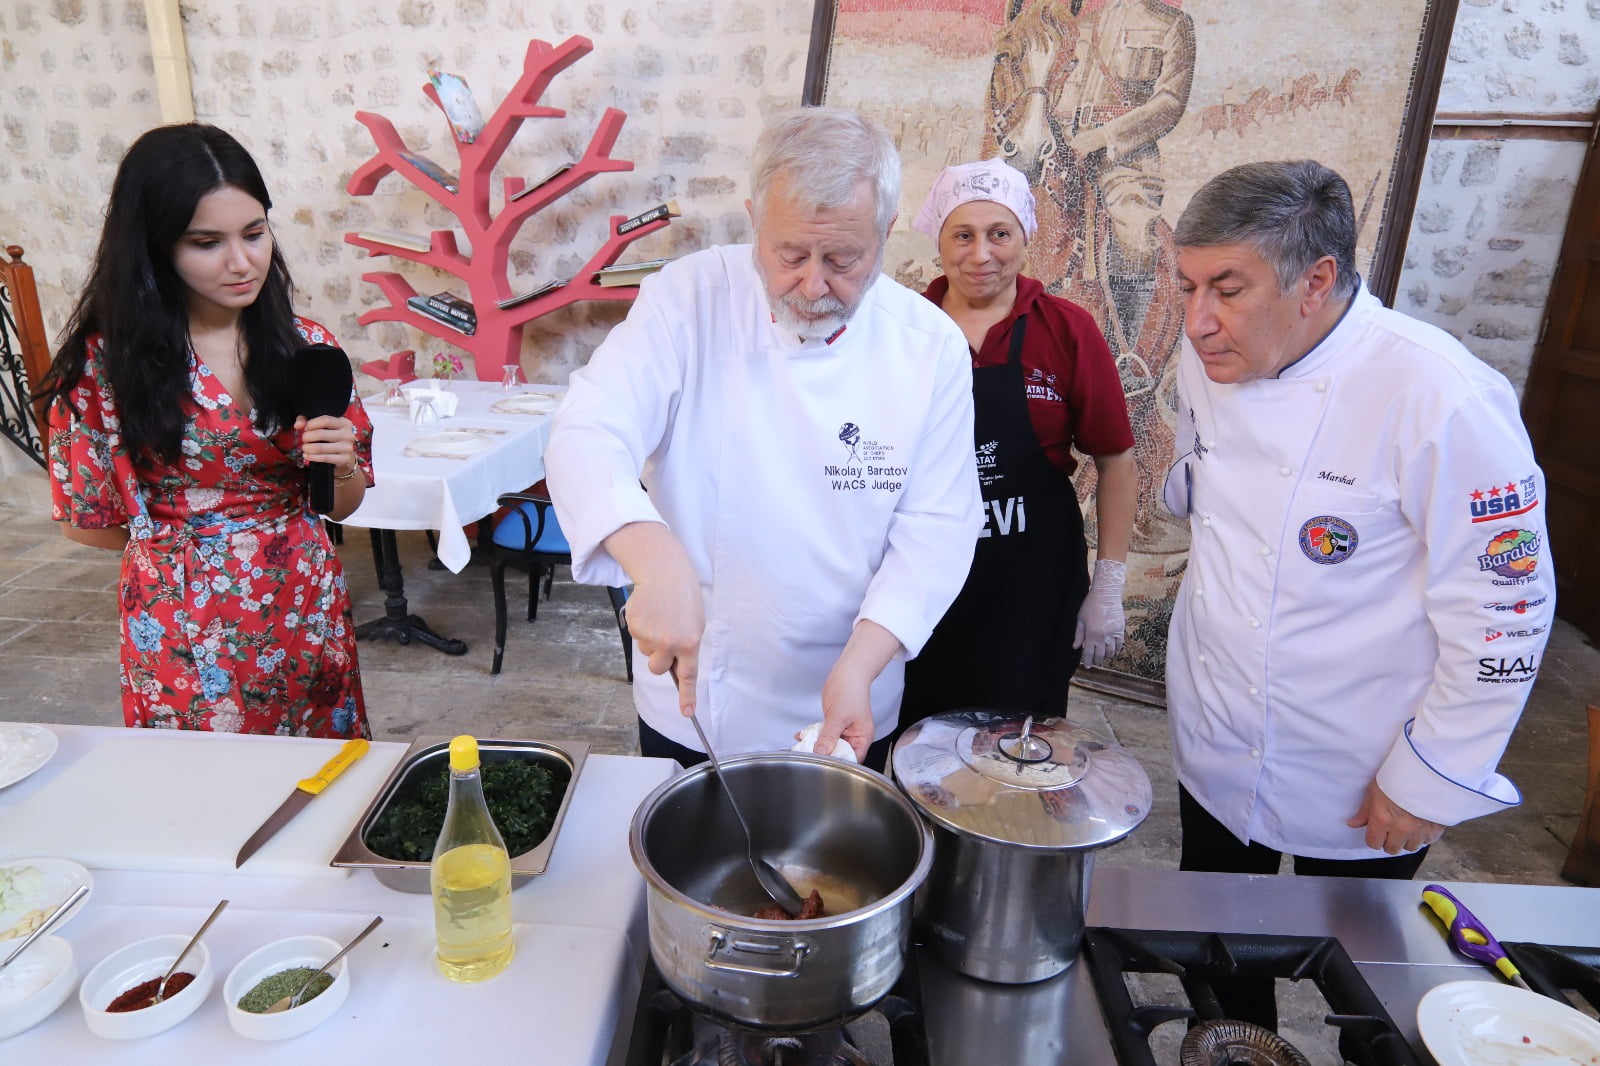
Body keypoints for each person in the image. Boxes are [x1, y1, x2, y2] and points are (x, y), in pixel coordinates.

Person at [1164, 160, 1553, 1027]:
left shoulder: (1440, 396)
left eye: (1226, 288)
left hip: (1365, 763)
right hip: (1219, 726)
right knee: (1219, 954)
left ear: (1318, 281)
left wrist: (1431, 774)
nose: (1196, 322)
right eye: (1186, 285)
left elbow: (1507, 612)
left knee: (1369, 987)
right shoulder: (1214, 359)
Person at [544, 106, 983, 770]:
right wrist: (651, 553)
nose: (812, 284)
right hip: (698, 698)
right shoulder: (688, 300)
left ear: (887, 233)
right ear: (755, 220)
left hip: (855, 690)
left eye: (842, 257)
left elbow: (938, 529)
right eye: (789, 254)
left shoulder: (929, 347)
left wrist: (863, 665)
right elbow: (588, 426)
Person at [42, 123, 373, 739]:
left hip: (302, 595)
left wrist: (342, 465)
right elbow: (83, 520)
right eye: (206, 242)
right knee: (204, 795)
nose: (242, 261)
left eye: (254, 233)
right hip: (179, 614)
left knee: (323, 778)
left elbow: (340, 504)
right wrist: (195, 547)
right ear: (154, 246)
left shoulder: (309, 348)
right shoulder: (105, 367)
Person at [899, 159, 1136, 726]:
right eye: (963, 234)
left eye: (999, 234)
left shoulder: (1067, 329)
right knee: (916, 742)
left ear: (1025, 239)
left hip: (1032, 586)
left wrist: (1109, 583)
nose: (982, 253)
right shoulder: (904, 327)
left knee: (1020, 751)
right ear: (940, 241)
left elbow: (1117, 459)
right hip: (919, 578)